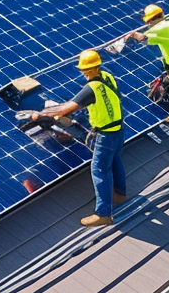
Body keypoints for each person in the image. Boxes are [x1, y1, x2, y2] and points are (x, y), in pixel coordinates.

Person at [24, 49, 125, 228]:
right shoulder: (107, 76)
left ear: (85, 70)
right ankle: (120, 193)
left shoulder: (91, 88)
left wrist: (38, 115)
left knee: (99, 170)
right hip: (117, 129)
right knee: (115, 159)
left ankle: (104, 214)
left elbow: (65, 110)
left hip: (105, 134)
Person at [129, 4, 169, 125]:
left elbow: (143, 37)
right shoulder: (166, 25)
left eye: (149, 21)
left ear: (153, 19)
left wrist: (132, 35)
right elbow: (151, 38)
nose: (148, 24)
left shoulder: (163, 27)